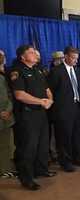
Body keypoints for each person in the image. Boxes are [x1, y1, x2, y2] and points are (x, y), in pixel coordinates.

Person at [10, 45, 56, 191]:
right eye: (30, 52)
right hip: (27, 115)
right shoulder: (17, 71)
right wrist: (41, 101)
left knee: (42, 145)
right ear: (22, 56)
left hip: (41, 113)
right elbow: (19, 94)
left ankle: (41, 170)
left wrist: (49, 99)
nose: (35, 54)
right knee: (28, 148)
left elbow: (47, 89)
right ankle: (27, 178)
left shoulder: (38, 70)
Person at [48, 46, 80, 172]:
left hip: (77, 107)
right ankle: (65, 161)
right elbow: (51, 91)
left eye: (77, 58)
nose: (76, 60)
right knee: (64, 137)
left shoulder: (77, 70)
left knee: (77, 134)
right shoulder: (56, 71)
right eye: (73, 58)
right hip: (63, 110)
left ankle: (77, 157)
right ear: (66, 57)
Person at [0, 50, 16, 178]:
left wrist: (8, 110)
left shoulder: (3, 76)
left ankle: (5, 170)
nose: (3, 58)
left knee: (7, 145)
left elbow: (10, 95)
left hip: (6, 118)